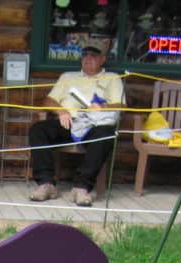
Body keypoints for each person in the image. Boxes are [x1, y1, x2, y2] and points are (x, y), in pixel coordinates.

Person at [27, 43, 124, 207]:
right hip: (69, 121)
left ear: (103, 59)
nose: (88, 59)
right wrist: (61, 111)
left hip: (94, 124)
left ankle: (82, 187)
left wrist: (103, 107)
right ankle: (46, 184)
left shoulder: (113, 78)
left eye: (93, 55)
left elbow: (121, 105)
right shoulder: (68, 77)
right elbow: (49, 100)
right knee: (38, 130)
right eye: (85, 55)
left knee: (105, 135)